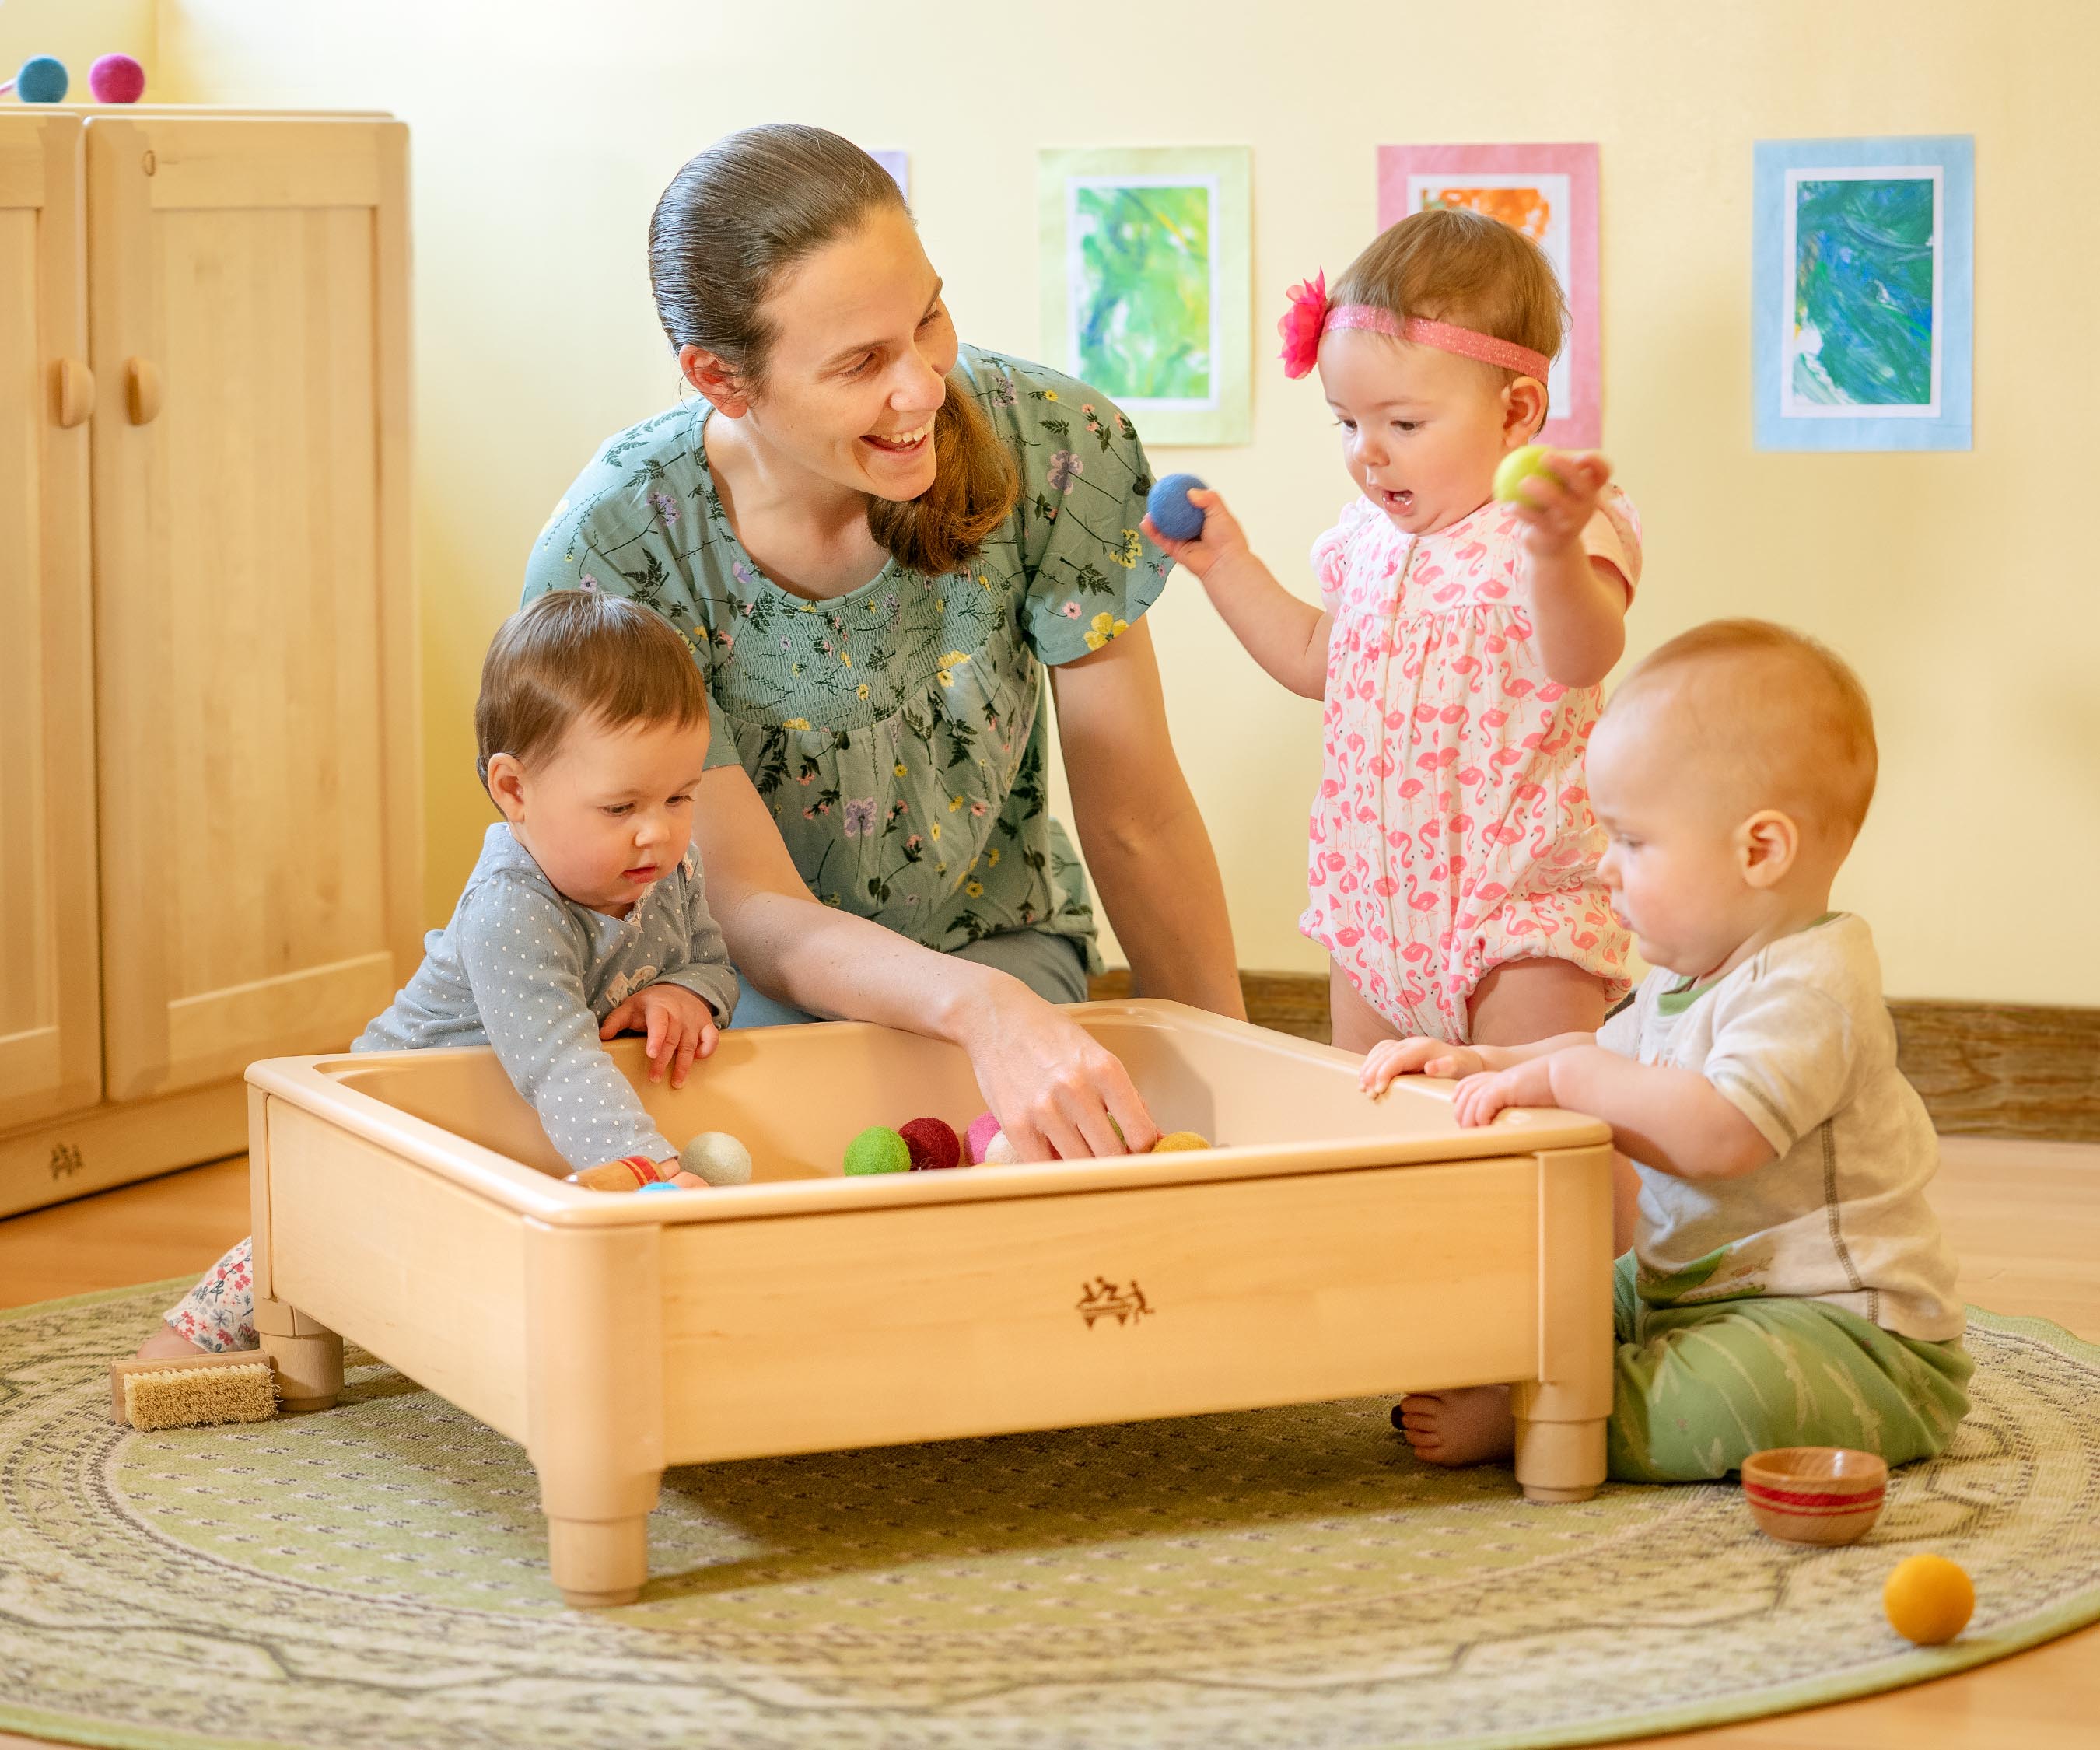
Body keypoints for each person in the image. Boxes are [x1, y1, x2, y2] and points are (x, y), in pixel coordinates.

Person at [520, 124, 1244, 1127]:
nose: (923, 387)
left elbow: (1137, 819)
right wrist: (978, 1012)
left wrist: (1240, 1095)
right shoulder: (617, 548)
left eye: (930, 318)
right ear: (721, 380)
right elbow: (752, 906)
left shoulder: (1058, 442)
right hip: (714, 991)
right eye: (862, 362)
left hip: (997, 943)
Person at [1363, 621, 1972, 1482]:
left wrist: (1572, 1078)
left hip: (1848, 1335)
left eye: (1633, 842)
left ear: (1759, 850)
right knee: (1563, 1289)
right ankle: (1548, 1365)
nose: (1606, 870)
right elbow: (1606, 1053)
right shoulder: (1689, 977)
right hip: (1687, 1290)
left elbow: (1718, 1136)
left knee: (1718, 1400)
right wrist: (1495, 1063)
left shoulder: (1812, 985)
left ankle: (1553, 1412)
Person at [145, 592, 741, 1355]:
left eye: (679, 796)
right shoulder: (511, 911)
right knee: (309, 1240)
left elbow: (710, 960)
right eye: (621, 806)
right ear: (515, 791)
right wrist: (650, 1173)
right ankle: (171, 1358)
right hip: (396, 1113)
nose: (657, 830)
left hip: (512, 1125)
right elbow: (558, 1061)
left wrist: (687, 992)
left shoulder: (669, 868)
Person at [1145, 206, 1640, 1055]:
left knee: (1529, 1124)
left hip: (1517, 918)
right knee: (1371, 1119)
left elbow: (1583, 654)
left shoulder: (1553, 523)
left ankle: (1601, 1193)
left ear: (1517, 413)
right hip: (1373, 919)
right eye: (1347, 422)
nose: (1368, 452)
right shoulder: (1368, 544)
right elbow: (1315, 661)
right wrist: (1227, 567)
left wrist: (1554, 555)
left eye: (1403, 424)